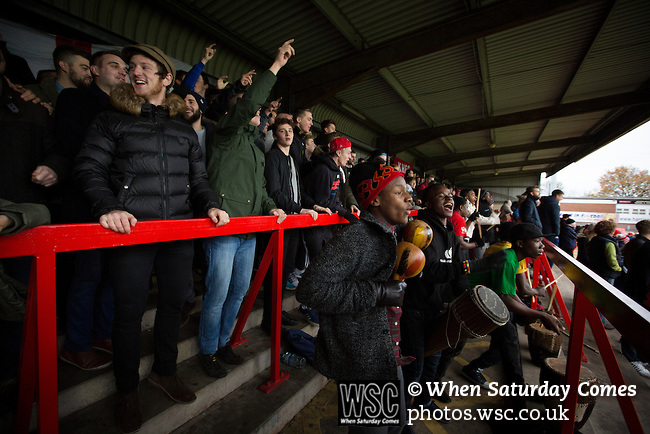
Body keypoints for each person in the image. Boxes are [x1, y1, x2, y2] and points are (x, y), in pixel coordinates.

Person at [73, 43, 229, 433]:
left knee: (175, 302)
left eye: (145, 67)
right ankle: (127, 389)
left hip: (177, 232)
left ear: (166, 78)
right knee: (128, 311)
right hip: (132, 233)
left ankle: (164, 371)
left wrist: (209, 204)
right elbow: (88, 167)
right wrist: (108, 206)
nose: (135, 72)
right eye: (131, 67)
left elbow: (198, 180)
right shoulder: (110, 120)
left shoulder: (183, 130)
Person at [199, 40, 294, 378]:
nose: (259, 113)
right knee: (217, 293)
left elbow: (262, 191)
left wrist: (271, 209)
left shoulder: (255, 150)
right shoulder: (224, 134)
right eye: (253, 110)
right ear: (234, 112)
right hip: (224, 229)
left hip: (249, 231)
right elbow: (250, 103)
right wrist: (276, 66)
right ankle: (208, 349)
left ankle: (224, 342)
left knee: (239, 292)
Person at [297, 162, 412, 433]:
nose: (409, 198)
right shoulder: (357, 237)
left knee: (395, 427)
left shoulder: (387, 234)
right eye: (398, 192)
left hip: (385, 353)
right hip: (362, 362)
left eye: (407, 191)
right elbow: (310, 289)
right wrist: (380, 292)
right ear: (375, 199)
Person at [401, 184, 508, 418]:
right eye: (442, 196)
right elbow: (430, 271)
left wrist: (465, 298)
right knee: (415, 367)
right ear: (428, 203)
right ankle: (403, 416)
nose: (449, 199)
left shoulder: (449, 230)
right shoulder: (419, 229)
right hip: (415, 309)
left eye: (450, 196)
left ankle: (424, 401)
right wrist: (480, 264)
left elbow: (457, 270)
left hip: (437, 306)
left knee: (433, 360)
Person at [55, 50, 129, 370]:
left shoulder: (126, 111)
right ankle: (76, 344)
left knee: (112, 276)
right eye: (115, 65)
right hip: (86, 204)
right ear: (95, 70)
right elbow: (70, 152)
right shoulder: (76, 100)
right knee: (87, 276)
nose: (124, 72)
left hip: (120, 207)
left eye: (126, 67)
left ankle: (101, 333)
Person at [462, 223, 562, 393]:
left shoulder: (513, 258)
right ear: (520, 244)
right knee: (508, 337)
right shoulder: (508, 260)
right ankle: (516, 389)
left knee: (507, 339)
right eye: (537, 241)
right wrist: (541, 315)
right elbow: (506, 298)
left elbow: (510, 293)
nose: (542, 246)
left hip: (483, 299)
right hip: (467, 301)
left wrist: (535, 312)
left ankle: (514, 386)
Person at [261, 118, 319, 332]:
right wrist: (299, 209)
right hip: (279, 222)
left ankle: (277, 313)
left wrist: (314, 205)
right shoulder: (272, 157)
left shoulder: (293, 159)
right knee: (275, 273)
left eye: (290, 131)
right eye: (282, 131)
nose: (288, 134)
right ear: (274, 136)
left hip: (292, 223)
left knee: (285, 271)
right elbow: (274, 193)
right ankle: (269, 319)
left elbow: (299, 190)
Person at [620, 219, 650, 378]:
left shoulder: (636, 243)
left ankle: (636, 355)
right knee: (634, 324)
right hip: (638, 291)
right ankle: (632, 357)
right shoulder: (643, 245)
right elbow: (643, 273)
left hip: (635, 287)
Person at [26, 45, 92, 108]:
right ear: (64, 66)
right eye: (84, 68)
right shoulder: (31, 93)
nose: (90, 74)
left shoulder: (91, 99)